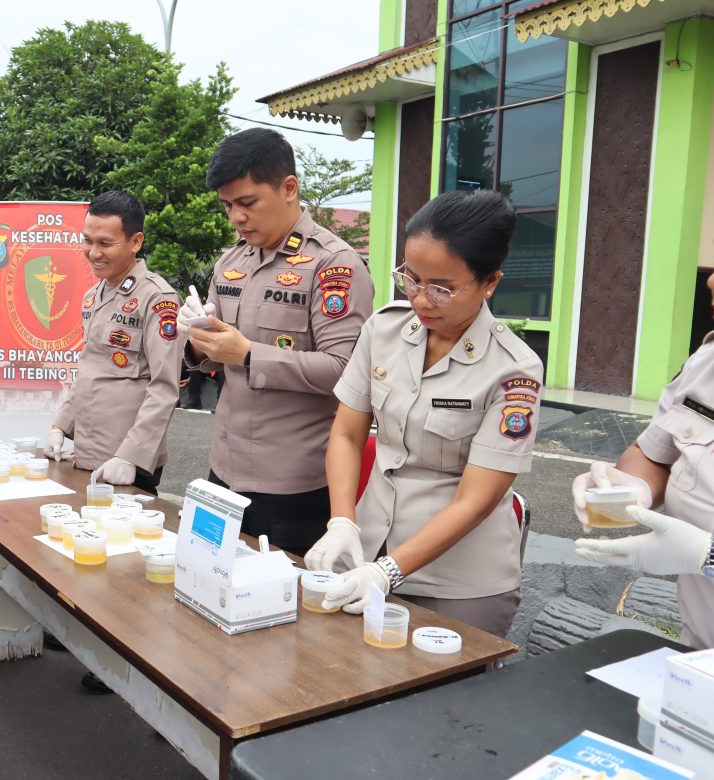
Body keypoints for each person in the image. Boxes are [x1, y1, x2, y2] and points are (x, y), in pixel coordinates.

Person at [305, 190, 542, 638]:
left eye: (442, 288)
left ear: (489, 281)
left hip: (459, 581)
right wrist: (342, 521)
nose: (420, 300)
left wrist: (388, 573)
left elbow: (478, 499)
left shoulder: (514, 369)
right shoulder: (384, 329)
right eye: (410, 279)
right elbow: (347, 435)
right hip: (369, 549)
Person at [176, 128, 374, 557]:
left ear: (288, 188)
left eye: (247, 203)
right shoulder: (230, 262)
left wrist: (247, 355)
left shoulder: (333, 264)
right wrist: (195, 340)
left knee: (286, 611)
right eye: (228, 206)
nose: (236, 218)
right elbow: (209, 351)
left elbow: (345, 371)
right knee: (208, 588)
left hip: (293, 486)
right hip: (223, 472)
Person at [572, 284, 714, 648]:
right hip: (699, 653)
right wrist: (632, 486)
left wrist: (706, 554)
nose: (710, 281)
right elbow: (654, 454)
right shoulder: (707, 361)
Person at [45, 190, 182, 493]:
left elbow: (165, 387)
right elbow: (89, 369)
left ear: (136, 242)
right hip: (87, 452)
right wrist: (60, 427)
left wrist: (129, 456)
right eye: (88, 241)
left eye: (105, 243)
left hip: (127, 462)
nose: (93, 252)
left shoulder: (157, 298)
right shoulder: (93, 296)